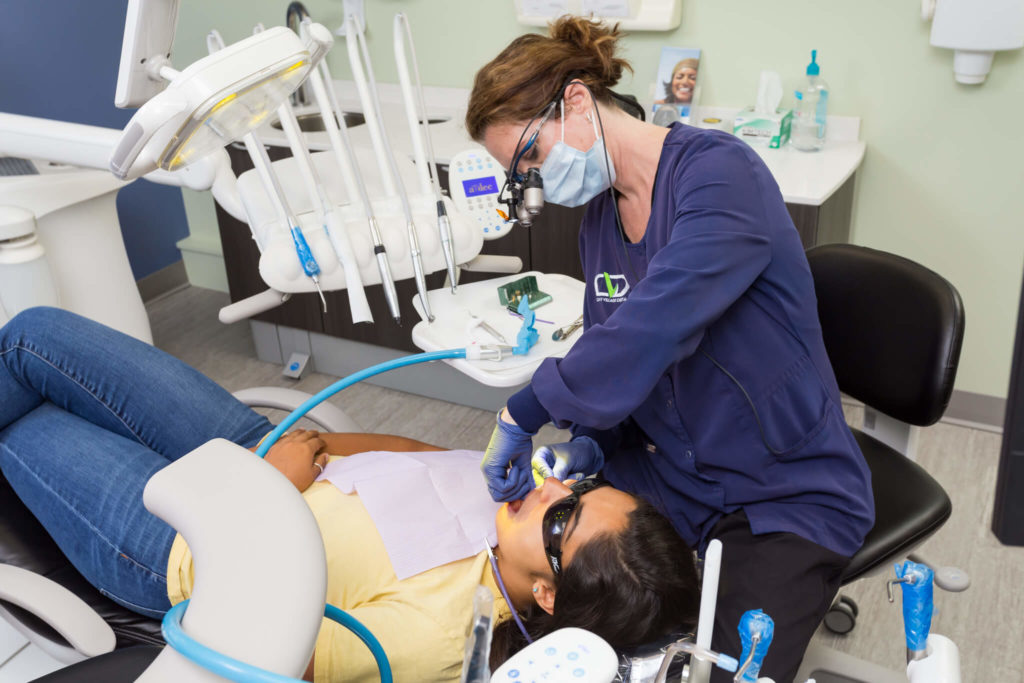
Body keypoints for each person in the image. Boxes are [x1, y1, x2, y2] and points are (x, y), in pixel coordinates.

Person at [465, 16, 874, 683]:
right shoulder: (601, 217)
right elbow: (610, 340)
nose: (537, 180)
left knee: (715, 671)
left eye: (531, 157)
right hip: (672, 472)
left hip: (785, 488)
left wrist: (525, 408)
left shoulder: (720, 176)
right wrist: (594, 438)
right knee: (562, 606)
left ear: (573, 101)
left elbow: (655, 326)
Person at [0, 307, 699, 681]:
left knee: (22, 421)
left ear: (549, 594)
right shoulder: (511, 499)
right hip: (256, 440)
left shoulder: (438, 638)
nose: (551, 486)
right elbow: (421, 454)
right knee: (34, 335)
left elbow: (278, 649)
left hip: (178, 543)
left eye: (565, 517)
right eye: (581, 486)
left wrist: (273, 488)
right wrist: (314, 448)